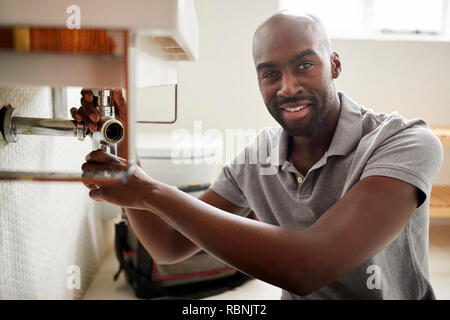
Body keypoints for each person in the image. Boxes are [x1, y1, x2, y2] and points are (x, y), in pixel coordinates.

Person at [71, 12, 443, 299]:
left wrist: (149, 191)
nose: (288, 87)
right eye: (270, 74)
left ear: (335, 65)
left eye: (304, 65)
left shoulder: (405, 142)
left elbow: (308, 266)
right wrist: (123, 140)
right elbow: (168, 246)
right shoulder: (257, 159)